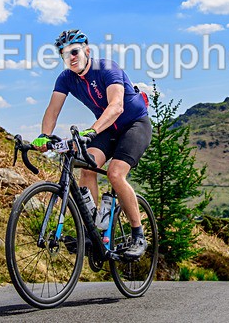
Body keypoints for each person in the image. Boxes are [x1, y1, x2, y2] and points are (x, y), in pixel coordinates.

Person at [32, 29, 152, 258]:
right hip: (107, 129)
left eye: (74, 52)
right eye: (65, 54)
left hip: (134, 124)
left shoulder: (106, 68)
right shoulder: (65, 78)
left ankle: (138, 235)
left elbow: (116, 106)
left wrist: (93, 130)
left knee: (116, 174)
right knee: (86, 166)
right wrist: (44, 136)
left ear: (87, 50)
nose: (71, 57)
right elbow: (53, 109)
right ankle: (91, 231)